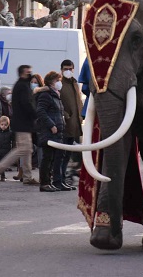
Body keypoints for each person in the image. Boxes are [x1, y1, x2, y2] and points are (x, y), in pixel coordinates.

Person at [0, 65, 39, 185]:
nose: (30, 73)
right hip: (23, 123)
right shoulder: (22, 86)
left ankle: (28, 177)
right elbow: (26, 103)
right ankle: (0, 167)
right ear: (23, 73)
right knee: (23, 149)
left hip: (23, 122)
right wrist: (35, 114)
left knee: (27, 150)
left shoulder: (22, 85)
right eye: (28, 72)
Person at [35, 72, 66, 192]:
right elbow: (41, 111)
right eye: (57, 80)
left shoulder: (55, 95)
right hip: (49, 132)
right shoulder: (46, 95)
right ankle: (44, 183)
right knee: (47, 158)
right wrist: (51, 125)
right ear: (51, 81)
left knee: (55, 157)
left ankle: (53, 182)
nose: (59, 82)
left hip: (58, 132)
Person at [55, 60, 82, 190]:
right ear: (61, 69)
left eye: (70, 68)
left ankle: (64, 179)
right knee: (61, 154)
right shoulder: (59, 84)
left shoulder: (74, 83)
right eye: (66, 68)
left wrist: (80, 115)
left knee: (68, 154)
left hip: (75, 124)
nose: (68, 71)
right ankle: (58, 179)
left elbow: (78, 101)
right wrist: (66, 115)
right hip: (65, 124)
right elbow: (57, 102)